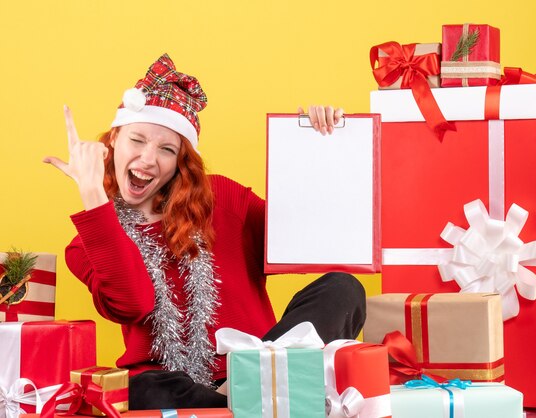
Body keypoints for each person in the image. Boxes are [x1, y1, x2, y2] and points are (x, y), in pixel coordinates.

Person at [43, 54, 366, 409]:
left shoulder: (223, 198)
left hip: (260, 358)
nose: (148, 159)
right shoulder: (86, 242)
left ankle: (246, 386)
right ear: (113, 141)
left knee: (342, 288)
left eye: (166, 149)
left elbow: (305, 235)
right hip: (172, 383)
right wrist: (94, 197)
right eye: (137, 140)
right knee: (144, 388)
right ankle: (248, 399)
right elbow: (135, 304)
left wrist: (322, 144)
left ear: (180, 162)